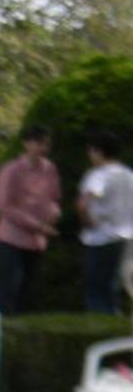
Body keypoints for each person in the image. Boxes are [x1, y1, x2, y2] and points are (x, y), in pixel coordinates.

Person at [0, 124, 60, 315]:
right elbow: (5, 207)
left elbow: (54, 197)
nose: (43, 149)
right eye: (38, 144)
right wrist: (37, 225)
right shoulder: (11, 170)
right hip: (12, 237)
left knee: (28, 290)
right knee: (10, 287)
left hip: (37, 240)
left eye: (46, 145)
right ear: (26, 144)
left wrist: (54, 214)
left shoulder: (50, 169)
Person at [77, 129, 133, 314]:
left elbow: (83, 204)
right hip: (126, 239)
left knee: (96, 292)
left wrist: (87, 222)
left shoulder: (99, 175)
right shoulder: (128, 175)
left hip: (102, 238)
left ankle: (97, 332)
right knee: (114, 291)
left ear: (98, 152)